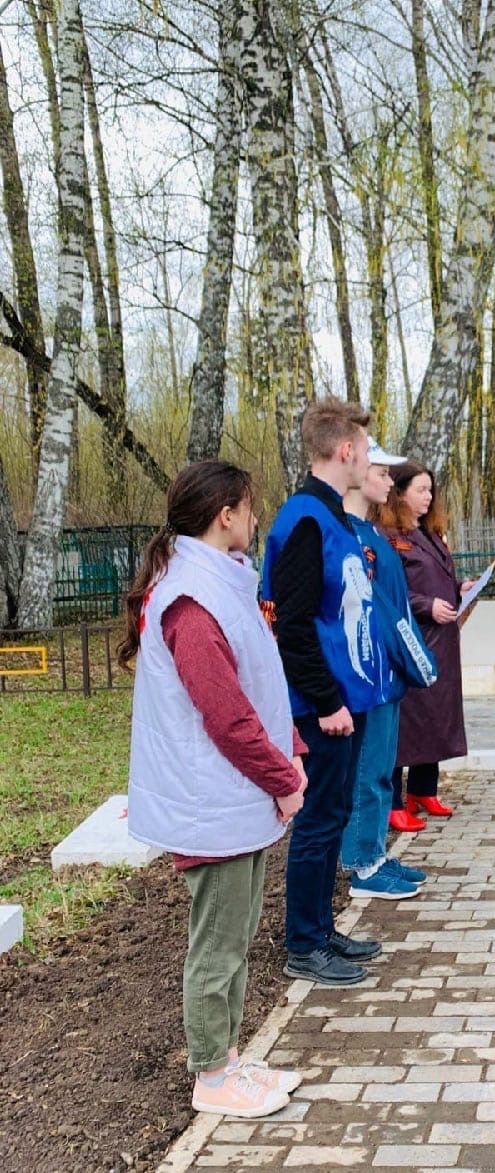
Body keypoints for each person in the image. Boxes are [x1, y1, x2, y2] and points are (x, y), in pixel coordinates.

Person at [123, 461, 307, 1118]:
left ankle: (227, 1059)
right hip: (215, 799)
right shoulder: (193, 600)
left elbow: (253, 681)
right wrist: (284, 778)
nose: (256, 518)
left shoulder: (218, 584)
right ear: (225, 513)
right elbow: (224, 714)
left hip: (234, 795)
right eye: (251, 507)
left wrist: (291, 747)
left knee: (237, 932)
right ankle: (211, 1074)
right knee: (220, 943)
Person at [260, 397, 394, 987]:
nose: (368, 460)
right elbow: (291, 625)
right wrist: (326, 701)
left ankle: (323, 928)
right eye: (365, 451)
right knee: (318, 822)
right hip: (325, 705)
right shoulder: (304, 520)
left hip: (347, 699)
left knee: (334, 814)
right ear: (345, 451)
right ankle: (304, 944)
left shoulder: (334, 517)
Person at [339, 441, 438, 902]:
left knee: (380, 769)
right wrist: (416, 658)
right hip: (368, 672)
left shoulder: (372, 534)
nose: (387, 481)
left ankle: (375, 853)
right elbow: (378, 613)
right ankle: (361, 864)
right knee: (366, 771)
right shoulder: (350, 537)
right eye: (381, 472)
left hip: (386, 674)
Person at [379, 459, 468, 827]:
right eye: (420, 490)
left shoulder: (429, 533)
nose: (428, 497)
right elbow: (387, 591)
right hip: (411, 640)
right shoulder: (387, 536)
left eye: (430, 490)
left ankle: (424, 789)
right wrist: (426, 605)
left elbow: (437, 576)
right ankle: (394, 800)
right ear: (399, 493)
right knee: (410, 722)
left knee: (436, 717)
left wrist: (459, 588)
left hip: (441, 641)